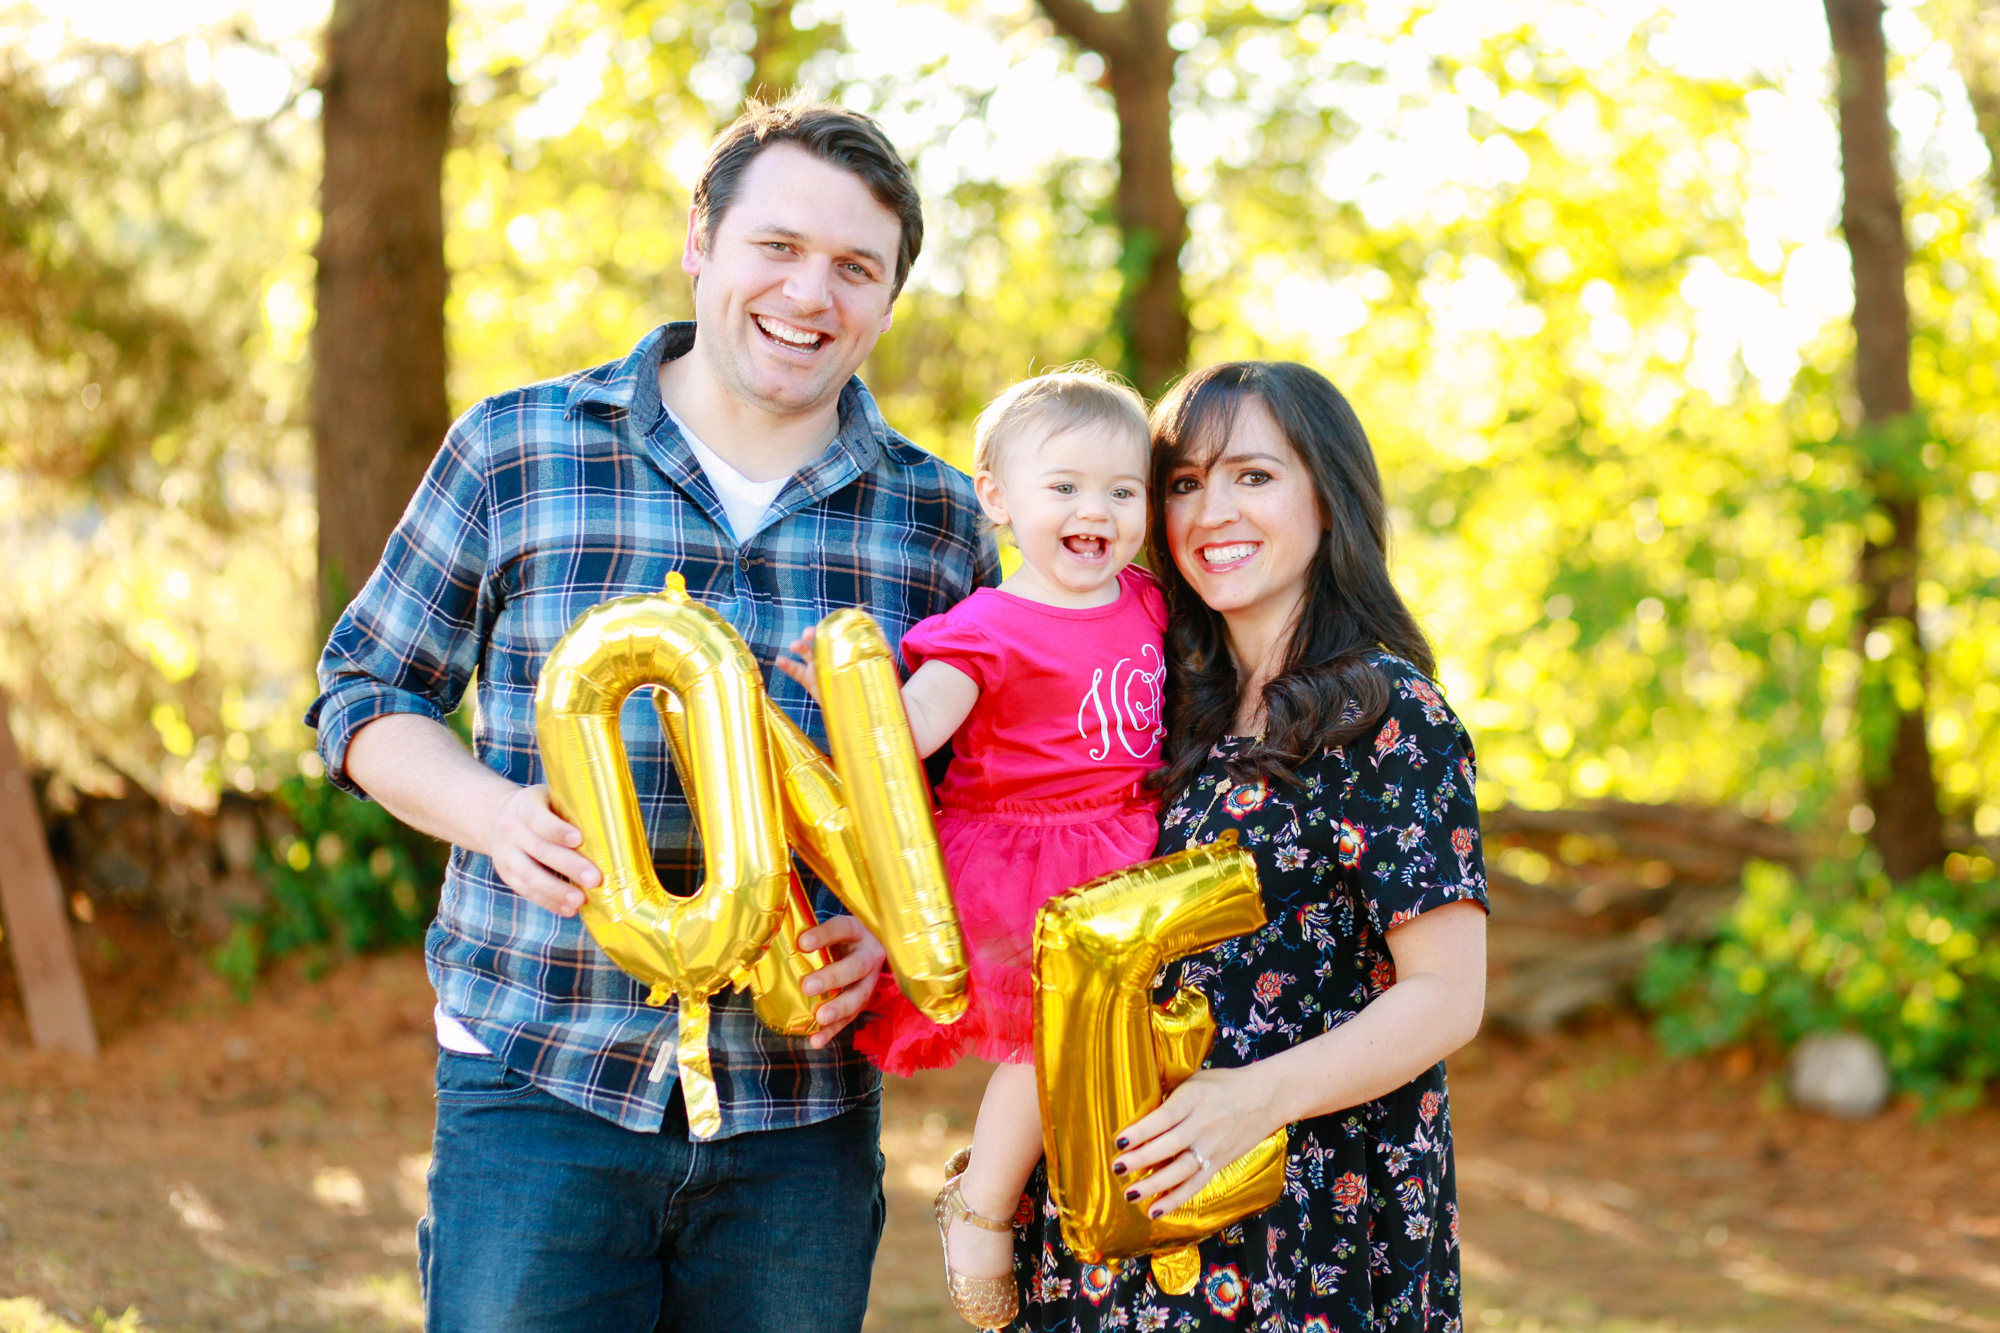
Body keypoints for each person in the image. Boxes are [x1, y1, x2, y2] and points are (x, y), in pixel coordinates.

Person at [306, 96, 998, 1333]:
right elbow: (363, 694)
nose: (810, 294)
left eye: (855, 268)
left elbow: (987, 797)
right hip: (537, 1082)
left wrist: (893, 934)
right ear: (702, 240)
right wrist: (491, 813)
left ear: (889, 300)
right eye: (776, 248)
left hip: (800, 1121)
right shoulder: (518, 447)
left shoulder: (938, 521)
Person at [1008, 361, 1489, 1332]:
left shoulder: (1385, 713)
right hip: (1107, 1230)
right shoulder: (1150, 703)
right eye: (1183, 482)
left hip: (1297, 1229)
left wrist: (1251, 1100)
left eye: (1252, 476)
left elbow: (1446, 996)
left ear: (1328, 497)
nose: (1210, 510)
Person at [779, 366, 1165, 1331]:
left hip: (1131, 851)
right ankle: (982, 1204)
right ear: (995, 495)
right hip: (1022, 863)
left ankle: (1082, 1209)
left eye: (1123, 491)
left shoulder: (1150, 602)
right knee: (1048, 1042)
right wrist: (854, 698)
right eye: (1065, 487)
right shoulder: (988, 626)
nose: (1097, 511)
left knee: (1130, 1048)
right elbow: (910, 730)